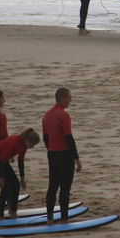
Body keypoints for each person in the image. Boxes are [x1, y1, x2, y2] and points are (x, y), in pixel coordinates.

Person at [42, 87, 82, 224]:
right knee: (65, 188)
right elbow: (69, 138)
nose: (71, 100)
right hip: (65, 154)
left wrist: (51, 150)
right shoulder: (64, 115)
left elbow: (45, 138)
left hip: (52, 154)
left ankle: (50, 219)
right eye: (69, 97)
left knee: (52, 186)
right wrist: (76, 159)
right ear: (63, 98)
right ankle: (64, 219)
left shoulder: (47, 115)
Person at [0, 128, 39, 220]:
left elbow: (20, 161)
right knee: (6, 187)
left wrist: (22, 178)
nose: (33, 146)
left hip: (3, 161)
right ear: (28, 141)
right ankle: (0, 215)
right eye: (33, 144)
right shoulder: (16, 143)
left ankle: (12, 210)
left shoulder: (23, 145)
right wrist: (0, 177)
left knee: (16, 184)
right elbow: (1, 159)